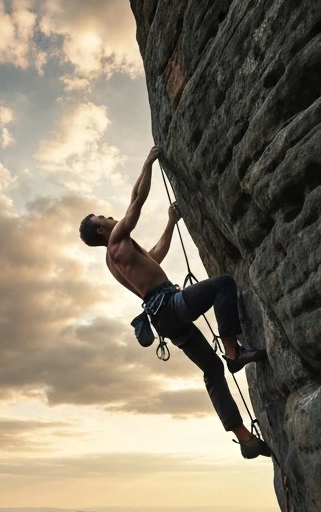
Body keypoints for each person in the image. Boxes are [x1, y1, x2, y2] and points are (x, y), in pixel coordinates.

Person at [79, 146, 271, 459]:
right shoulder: (115, 240)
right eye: (104, 217)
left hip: (163, 317)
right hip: (168, 304)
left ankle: (245, 438)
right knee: (223, 284)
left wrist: (170, 222)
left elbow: (154, 257)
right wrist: (147, 163)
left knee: (211, 370)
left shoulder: (116, 259)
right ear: (101, 229)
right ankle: (234, 352)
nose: (111, 216)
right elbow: (135, 201)